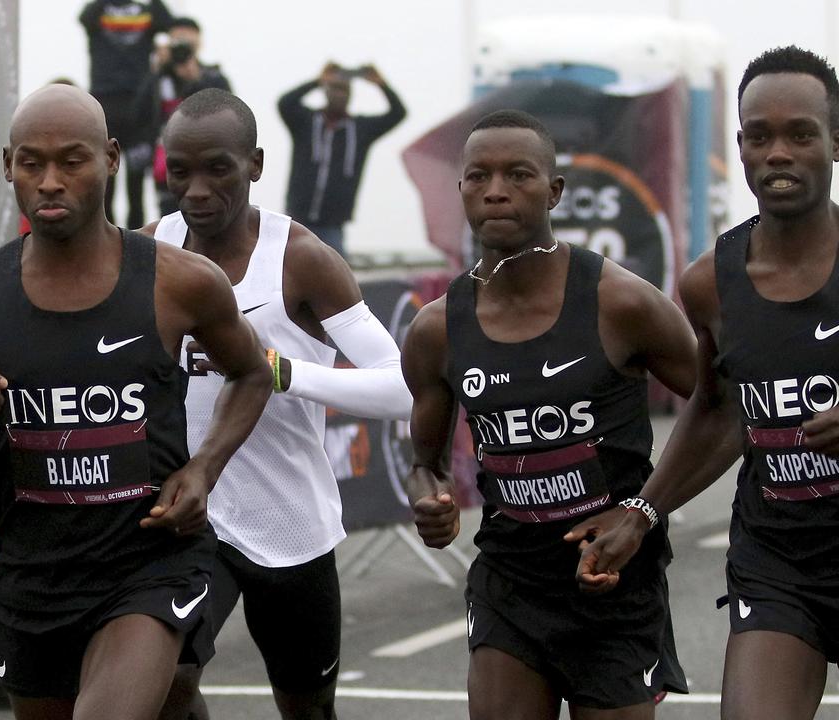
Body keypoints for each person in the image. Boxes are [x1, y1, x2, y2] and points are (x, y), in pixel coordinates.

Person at [0, 83, 271, 720]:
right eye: (31, 162)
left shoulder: (178, 279)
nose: (50, 181)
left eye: (71, 161)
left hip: (150, 565)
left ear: (109, 159)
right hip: (33, 581)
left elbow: (251, 375)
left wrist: (201, 469)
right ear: (7, 166)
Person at [403, 110, 697, 719]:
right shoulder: (437, 330)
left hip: (614, 581)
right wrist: (430, 500)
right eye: (477, 176)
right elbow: (424, 464)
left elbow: (722, 410)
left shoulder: (621, 302)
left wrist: (643, 510)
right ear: (460, 188)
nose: (496, 190)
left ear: (555, 191)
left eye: (519, 174)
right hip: (510, 581)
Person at [577, 45, 839, 720]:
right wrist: (643, 510)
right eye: (759, 136)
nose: (777, 152)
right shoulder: (709, 283)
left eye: (800, 134)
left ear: (835, 142)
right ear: (742, 148)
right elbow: (720, 410)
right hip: (780, 558)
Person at [143, 88, 411, 720]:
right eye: (180, 171)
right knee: (166, 685)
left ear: (255, 165)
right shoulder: (152, 249)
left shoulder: (301, 260)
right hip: (190, 514)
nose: (198, 190)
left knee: (307, 707)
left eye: (218, 169)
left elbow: (402, 388)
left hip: (289, 522)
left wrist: (285, 373)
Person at [278, 62, 405, 260]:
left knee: (335, 279)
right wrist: (318, 80)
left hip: (333, 226)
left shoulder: (361, 129)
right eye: (335, 88)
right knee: (285, 271)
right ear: (325, 91)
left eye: (344, 90)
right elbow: (285, 103)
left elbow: (398, 113)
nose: (340, 94)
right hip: (296, 219)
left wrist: (380, 84)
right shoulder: (306, 121)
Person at [80, 0, 174, 230]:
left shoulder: (145, 12)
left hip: (139, 107)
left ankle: (134, 240)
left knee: (136, 183)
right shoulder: (99, 10)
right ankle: (105, 238)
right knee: (104, 181)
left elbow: (167, 22)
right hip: (104, 105)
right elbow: (85, 18)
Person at [133, 17, 231, 216]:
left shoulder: (212, 76)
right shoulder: (159, 79)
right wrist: (156, 72)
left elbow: (230, 113)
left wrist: (196, 80)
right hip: (169, 164)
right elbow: (139, 114)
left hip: (207, 160)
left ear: (199, 43)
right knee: (170, 220)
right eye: (177, 42)